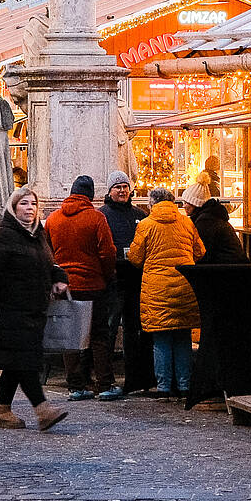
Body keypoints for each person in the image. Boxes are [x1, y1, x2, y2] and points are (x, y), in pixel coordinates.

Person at [0, 187, 70, 431]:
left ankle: (2, 411)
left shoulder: (38, 234)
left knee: (14, 362)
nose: (29, 208)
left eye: (33, 204)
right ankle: (42, 409)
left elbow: (47, 262)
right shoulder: (3, 236)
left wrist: (59, 276)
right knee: (24, 361)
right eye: (24, 204)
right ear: (13, 208)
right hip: (10, 310)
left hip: (33, 309)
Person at [45, 175, 117, 401]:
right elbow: (107, 252)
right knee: (98, 335)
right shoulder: (96, 218)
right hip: (93, 284)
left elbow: (47, 252)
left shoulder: (53, 219)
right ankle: (105, 384)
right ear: (92, 194)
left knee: (71, 336)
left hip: (65, 285)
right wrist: (105, 275)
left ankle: (76, 386)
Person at [128, 188, 205, 396]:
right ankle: (184, 385)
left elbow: (135, 258)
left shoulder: (145, 225)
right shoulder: (187, 223)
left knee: (161, 340)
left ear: (152, 204)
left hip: (157, 290)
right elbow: (200, 252)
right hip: (184, 287)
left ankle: (163, 388)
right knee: (182, 338)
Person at [100, 171, 146, 399]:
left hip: (136, 279)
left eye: (125, 187)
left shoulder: (139, 214)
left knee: (133, 329)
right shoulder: (103, 215)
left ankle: (134, 376)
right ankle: (105, 377)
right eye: (117, 186)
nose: (122, 191)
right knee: (109, 328)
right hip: (114, 280)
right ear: (109, 191)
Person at [192, 196, 248, 264]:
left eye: (186, 203)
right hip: (235, 265)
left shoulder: (206, 221)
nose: (183, 206)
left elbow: (204, 252)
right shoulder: (212, 216)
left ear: (194, 204)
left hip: (228, 268)